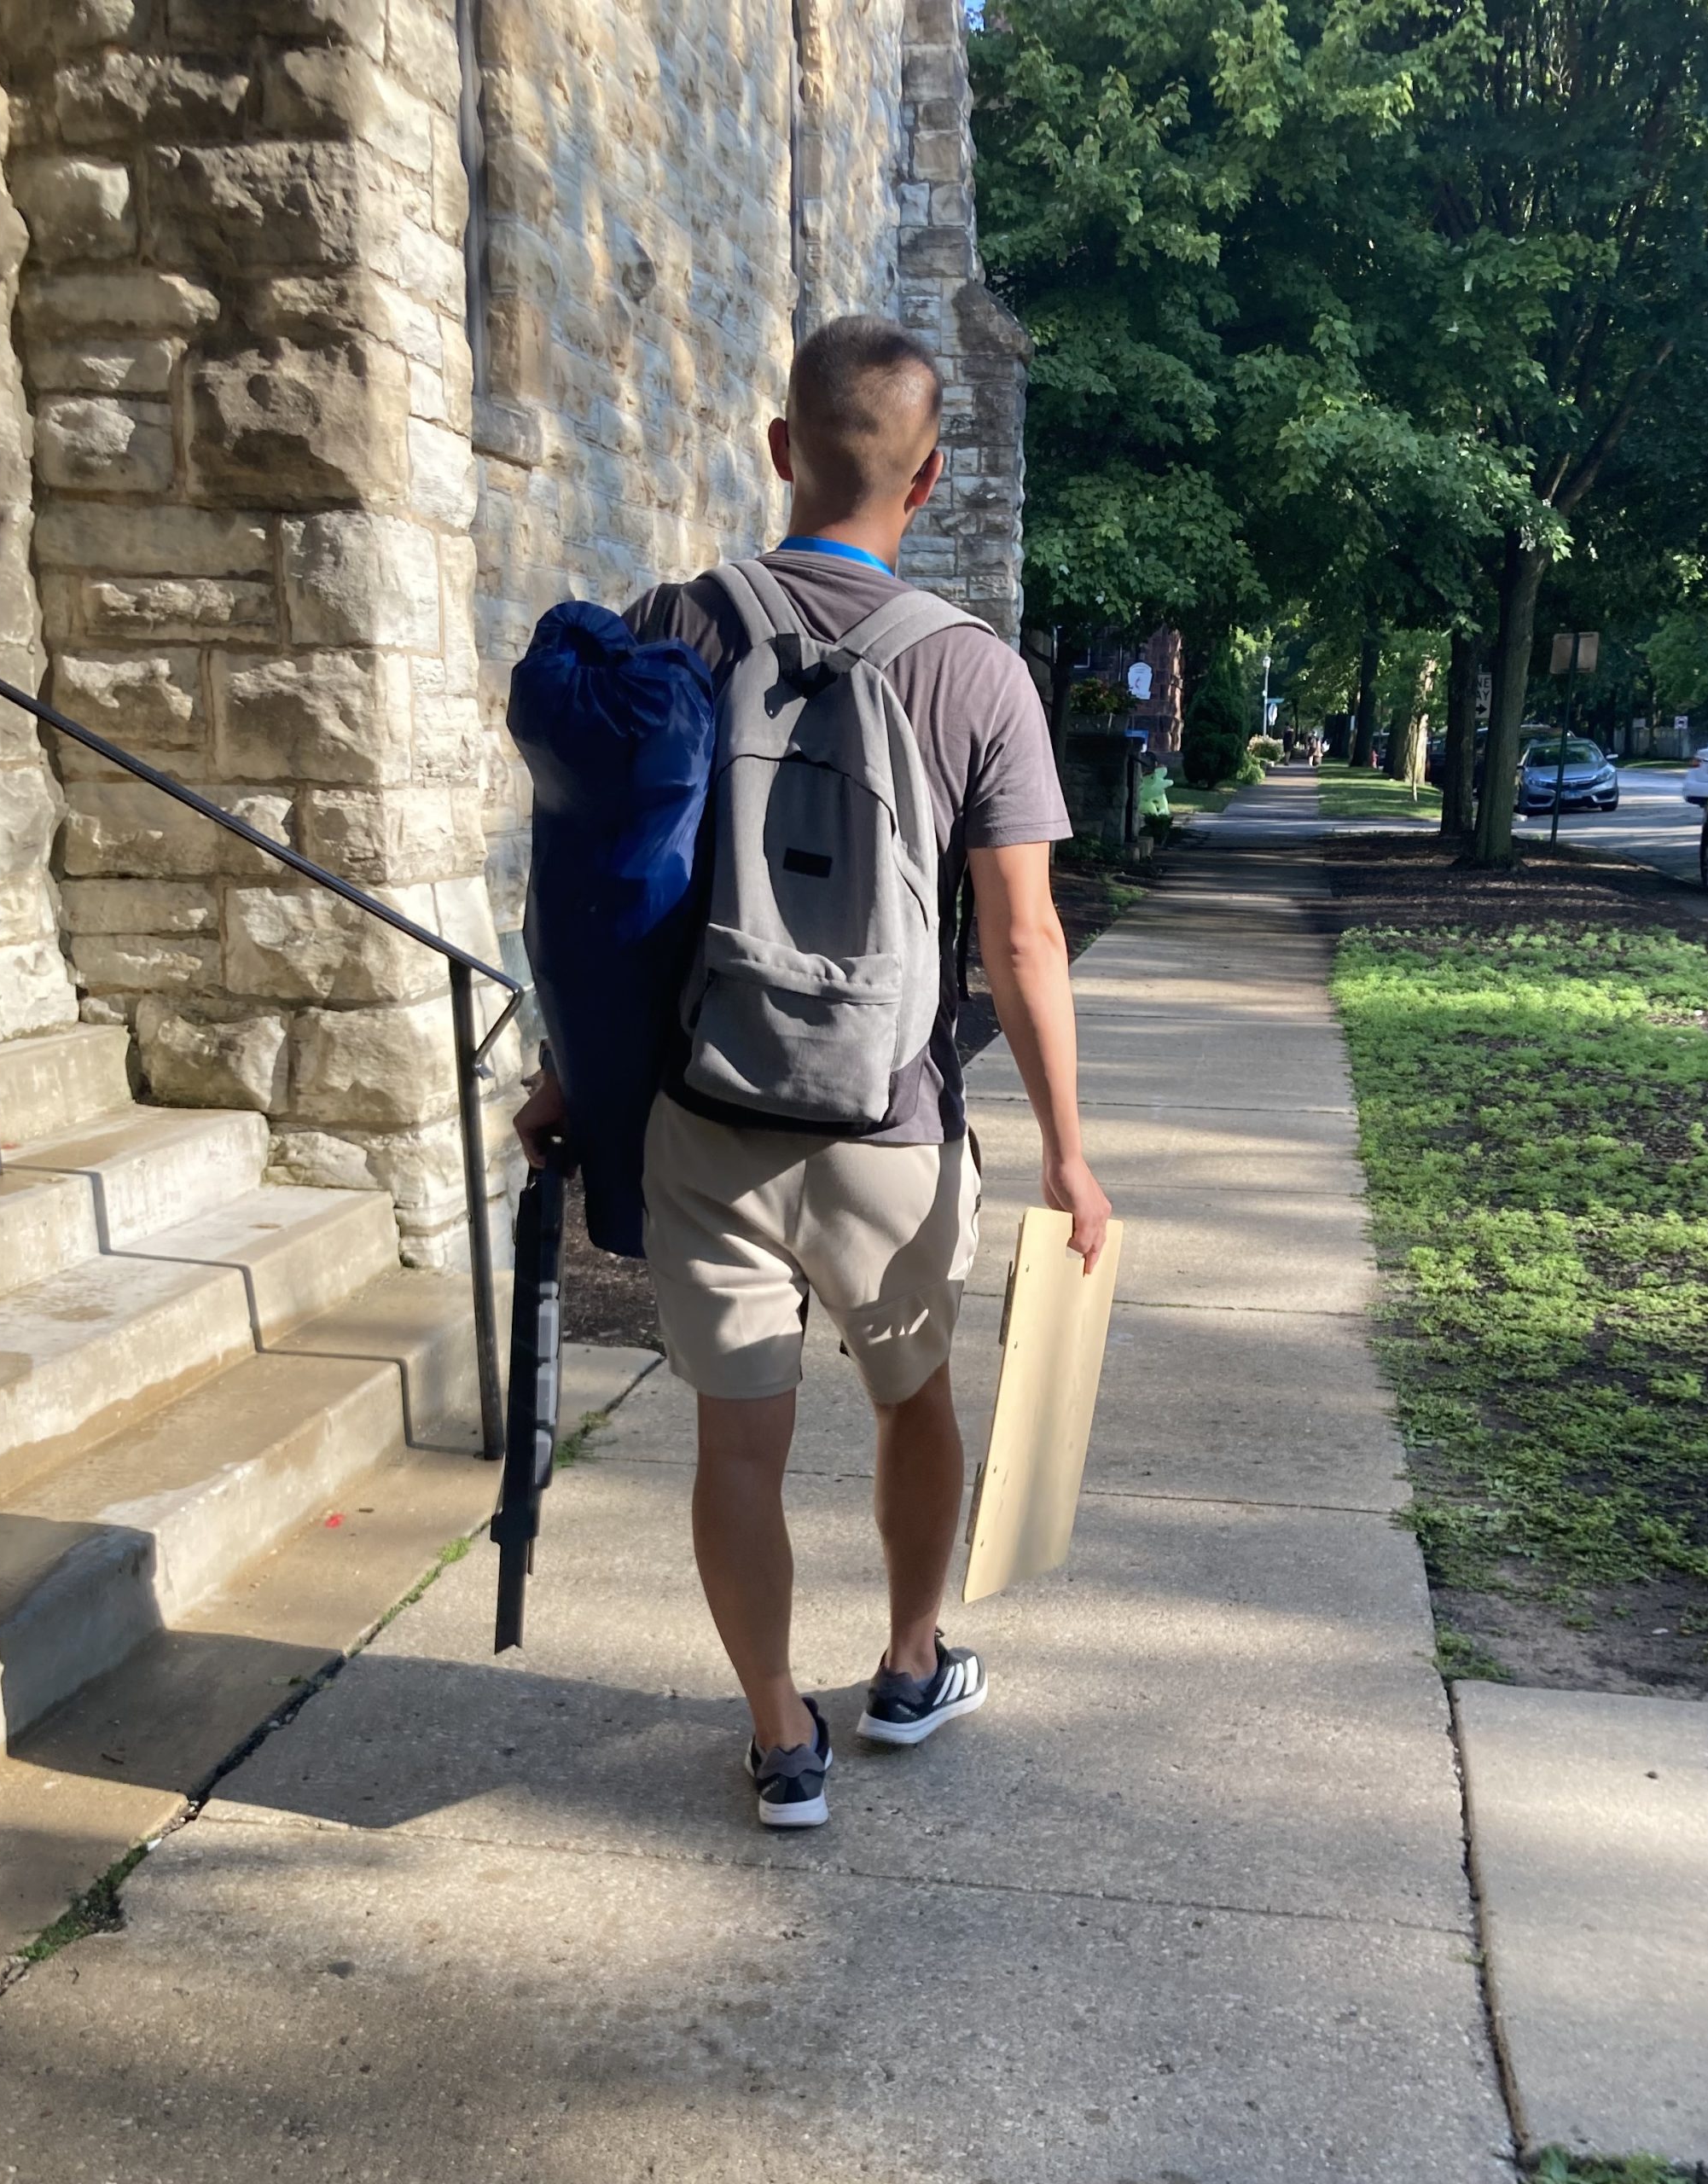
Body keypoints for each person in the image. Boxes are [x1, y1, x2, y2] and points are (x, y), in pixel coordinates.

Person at [514, 316, 1111, 1829]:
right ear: (926, 481)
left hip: (703, 1116)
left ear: (781, 451)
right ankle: (909, 1664)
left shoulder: (673, 626)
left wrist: (573, 1079)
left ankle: (783, 1738)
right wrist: (1069, 1152)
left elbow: (607, 901)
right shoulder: (977, 677)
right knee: (913, 1402)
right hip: (889, 1124)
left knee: (738, 1438)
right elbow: (1025, 940)